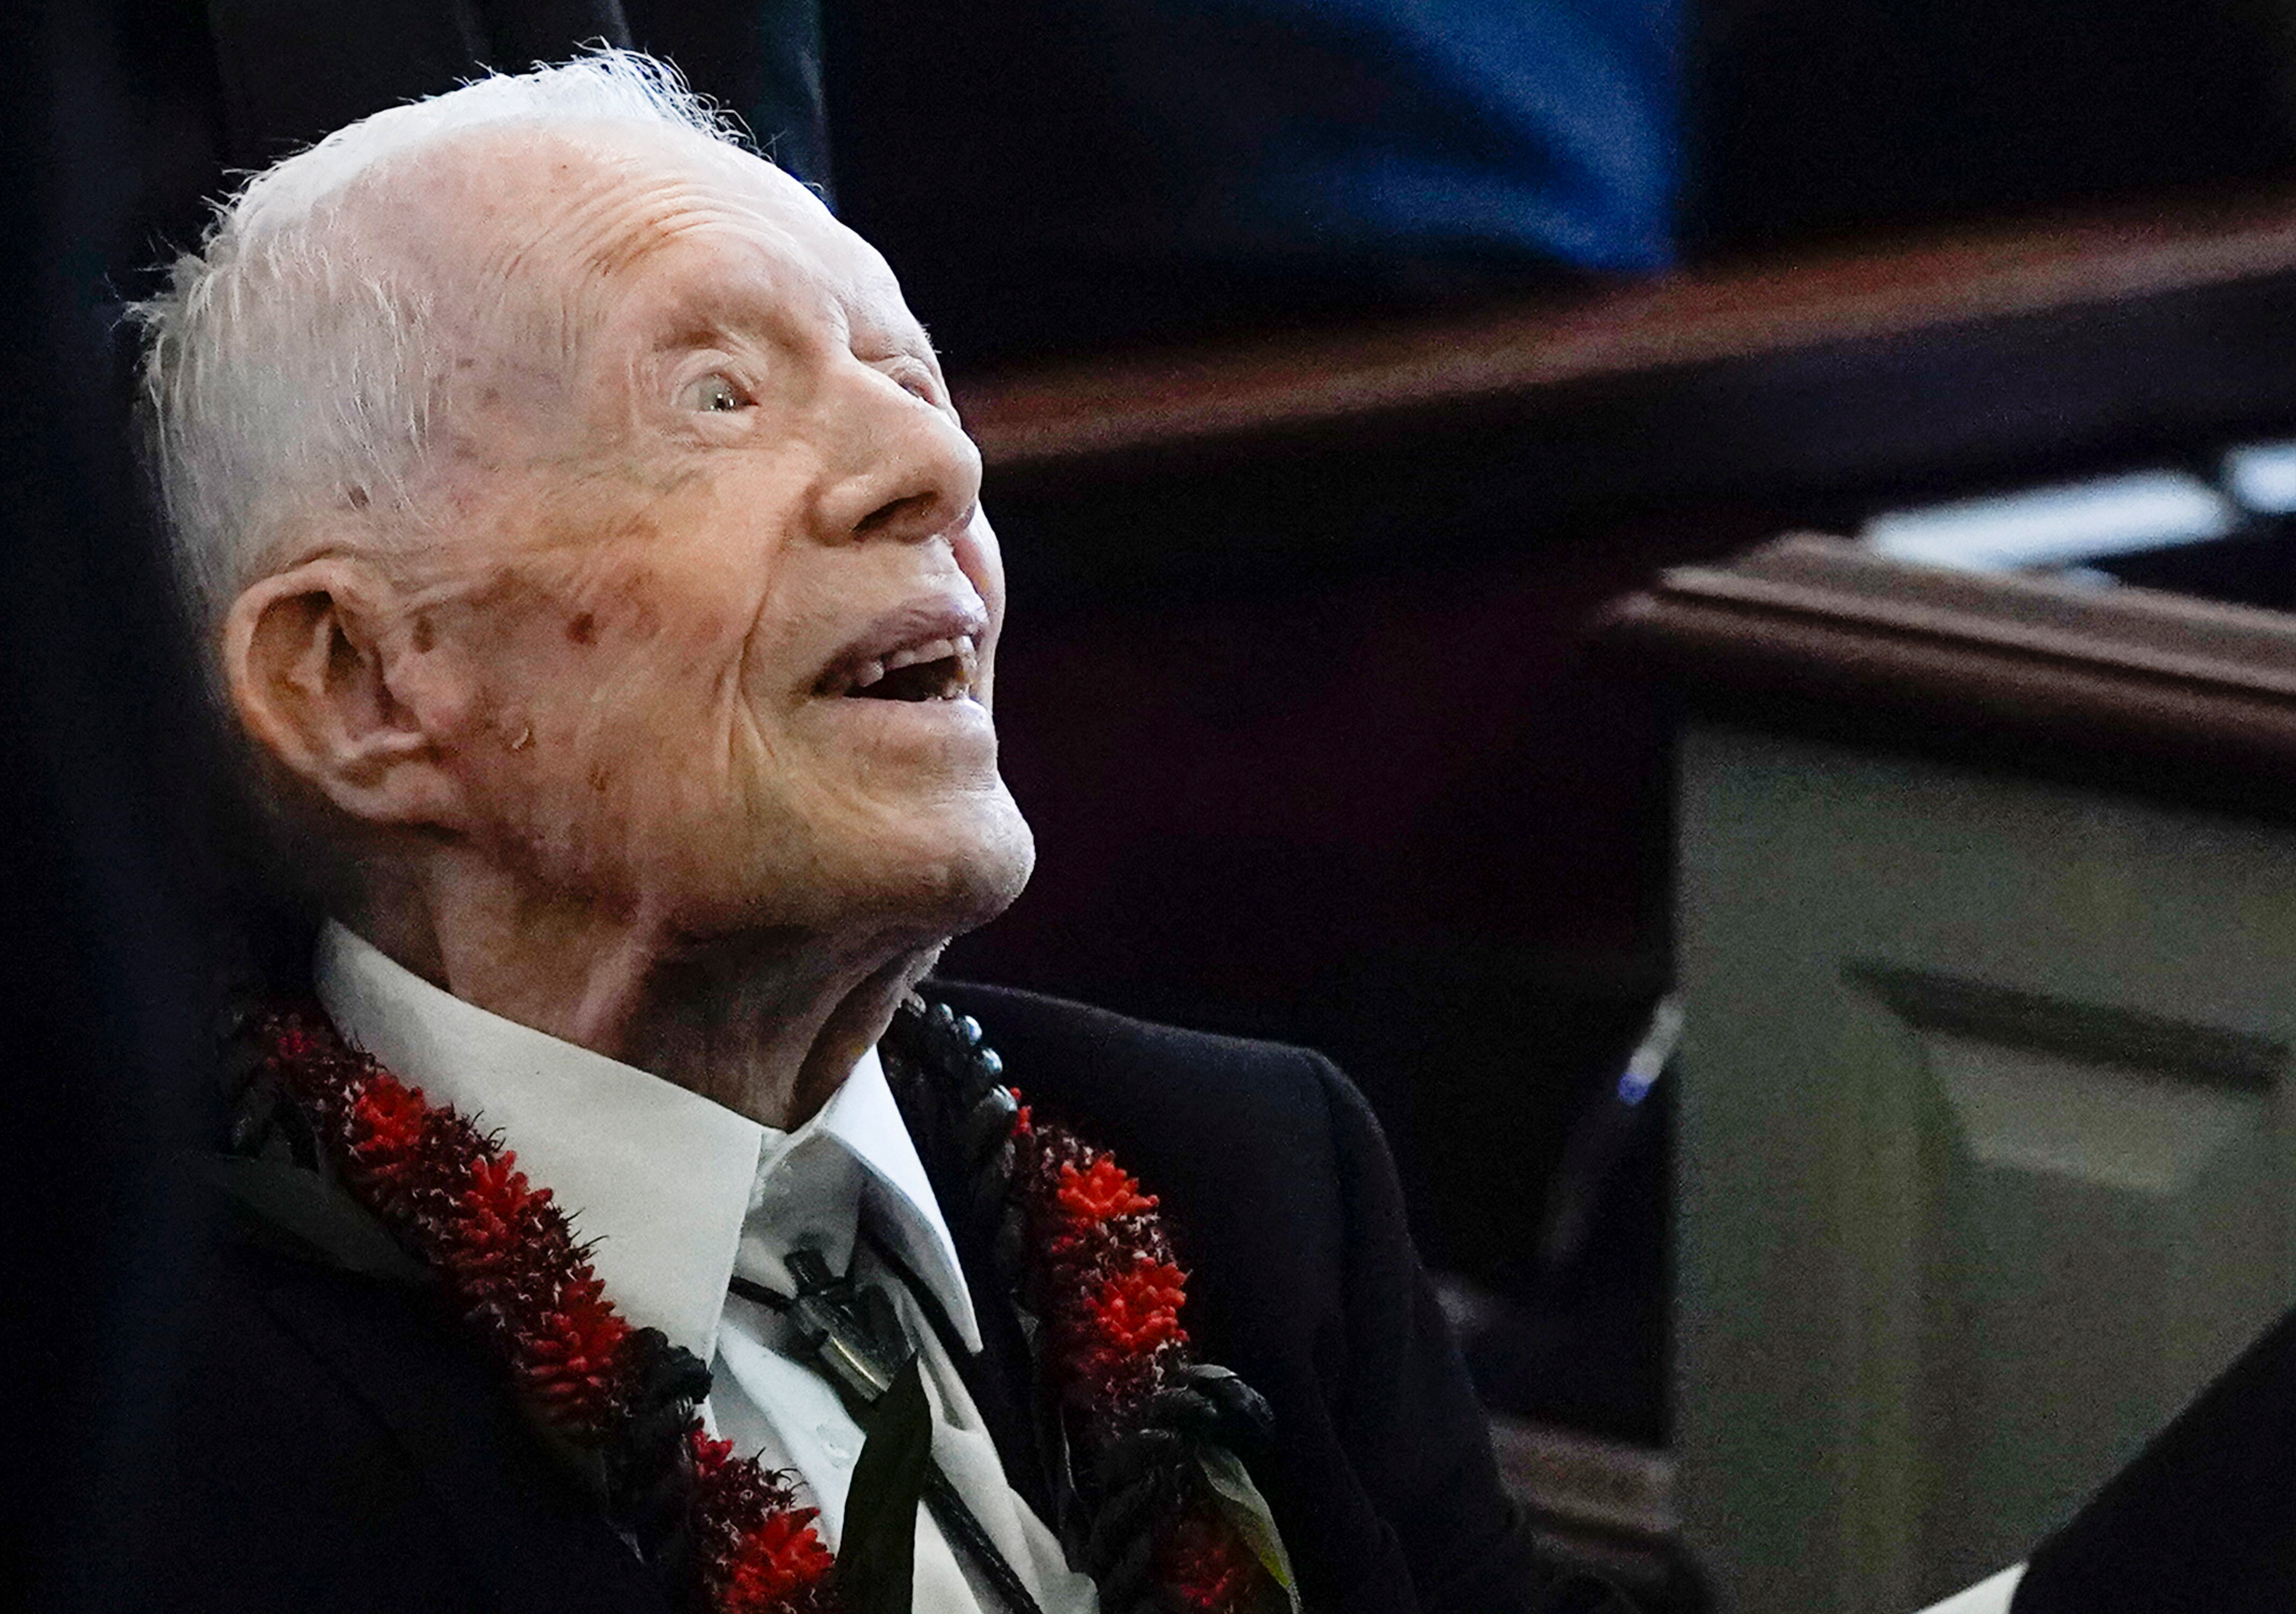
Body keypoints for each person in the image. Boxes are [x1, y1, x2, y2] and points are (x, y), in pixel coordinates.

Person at [131, 50, 1605, 1614]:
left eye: (912, 382)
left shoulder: (1251, 1176)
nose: (937, 468)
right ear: (356, 681)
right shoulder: (166, 1421)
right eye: (719, 398)